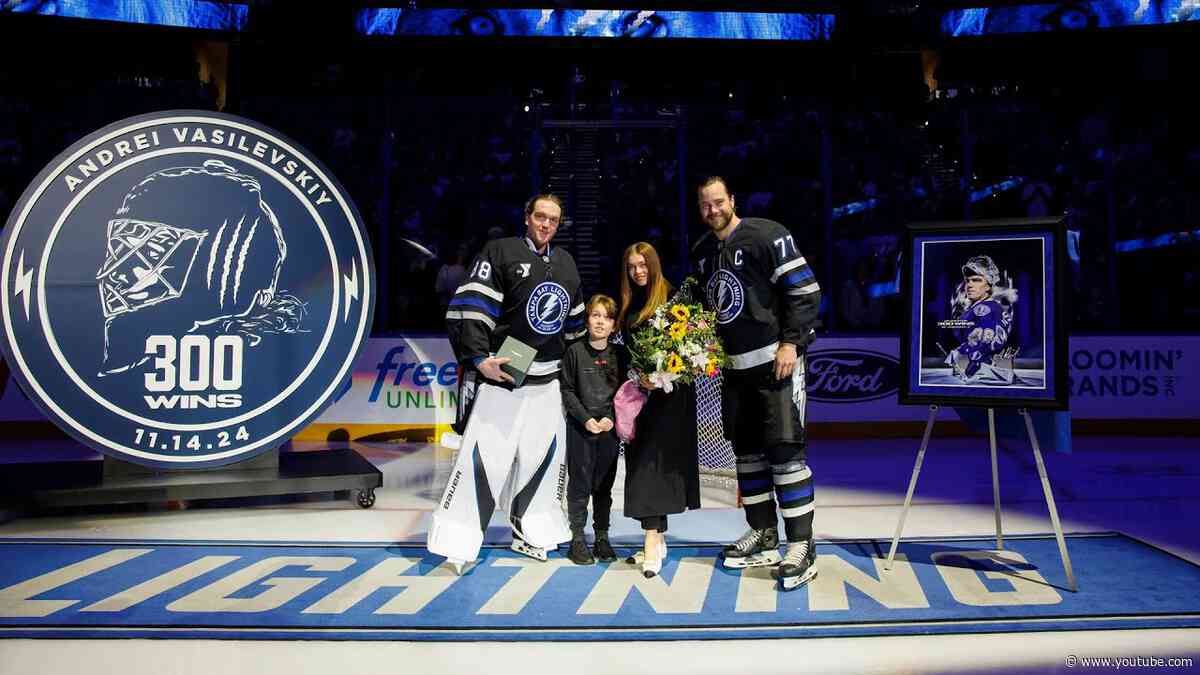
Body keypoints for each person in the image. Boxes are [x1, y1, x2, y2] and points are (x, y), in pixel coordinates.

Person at [428, 194, 586, 571]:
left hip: (550, 377)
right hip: (507, 370)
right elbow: (471, 307)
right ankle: (458, 540)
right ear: (527, 216)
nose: (546, 224)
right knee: (483, 459)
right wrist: (479, 358)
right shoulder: (500, 251)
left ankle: (531, 530)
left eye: (553, 219)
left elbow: (575, 325)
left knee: (543, 460)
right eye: (540, 216)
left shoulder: (565, 262)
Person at [691, 176, 822, 591]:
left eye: (718, 202)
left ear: (732, 200)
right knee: (746, 456)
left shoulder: (768, 234)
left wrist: (792, 343)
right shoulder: (702, 254)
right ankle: (764, 533)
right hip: (734, 371)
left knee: (784, 454)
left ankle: (802, 545)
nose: (713, 210)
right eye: (705, 205)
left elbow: (805, 291)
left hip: (776, 366)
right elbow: (703, 312)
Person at [617, 241, 701, 578]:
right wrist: (640, 376)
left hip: (670, 401)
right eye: (632, 266)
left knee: (653, 471)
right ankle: (658, 538)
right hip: (642, 399)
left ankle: (651, 541)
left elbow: (694, 351)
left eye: (643, 265)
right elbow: (630, 356)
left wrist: (663, 375)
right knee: (641, 467)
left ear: (654, 264)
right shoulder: (630, 302)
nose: (638, 272)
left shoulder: (674, 298)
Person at [559, 294, 625, 565]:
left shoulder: (621, 355)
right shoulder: (574, 351)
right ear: (587, 319)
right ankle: (577, 540)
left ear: (613, 325)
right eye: (595, 315)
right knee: (580, 486)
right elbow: (568, 389)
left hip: (609, 430)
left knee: (603, 487)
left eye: (607, 317)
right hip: (581, 430)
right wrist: (585, 419)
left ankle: (602, 537)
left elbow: (625, 392)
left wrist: (610, 417)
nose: (600, 321)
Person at [943, 255, 1019, 384]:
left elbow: (984, 342)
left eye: (976, 280)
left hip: (978, 373)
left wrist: (969, 365)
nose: (969, 285)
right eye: (968, 281)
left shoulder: (985, 308)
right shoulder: (986, 306)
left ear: (988, 286)